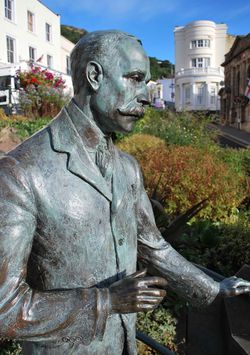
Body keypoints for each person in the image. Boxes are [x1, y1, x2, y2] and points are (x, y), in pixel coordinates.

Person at [0, 30, 249, 355]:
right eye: (134, 79)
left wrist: (214, 290)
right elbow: (5, 308)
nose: (146, 95)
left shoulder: (127, 167)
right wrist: (106, 301)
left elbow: (152, 246)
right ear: (94, 76)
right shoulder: (20, 172)